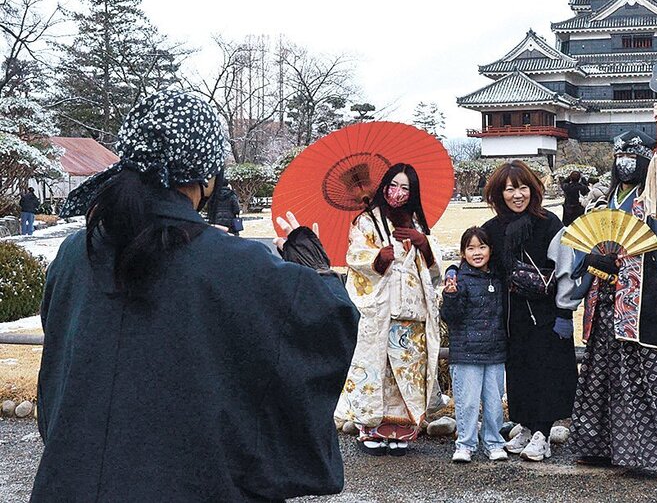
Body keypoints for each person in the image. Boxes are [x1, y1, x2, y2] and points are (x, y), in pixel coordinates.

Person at [33, 90, 359, 502]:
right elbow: (325, 325)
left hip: (72, 483)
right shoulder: (240, 266)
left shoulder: (74, 256)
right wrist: (312, 265)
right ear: (207, 177)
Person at [550, 98, 657, 491]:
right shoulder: (604, 201)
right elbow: (579, 243)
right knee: (603, 372)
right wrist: (573, 205)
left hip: (643, 299)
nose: (626, 160)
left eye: (634, 154)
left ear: (647, 161)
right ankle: (601, 447)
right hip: (603, 299)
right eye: (620, 154)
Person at [336, 163, 442, 457]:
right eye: (394, 185)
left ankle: (401, 431)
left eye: (406, 188)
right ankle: (370, 429)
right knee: (378, 370)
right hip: (381, 310)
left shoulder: (417, 222)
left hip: (412, 312)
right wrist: (378, 258)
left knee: (406, 372)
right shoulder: (367, 222)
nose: (398, 193)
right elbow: (355, 256)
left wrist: (424, 245)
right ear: (384, 187)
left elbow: (434, 271)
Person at [481, 160, 577, 462]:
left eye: (523, 187)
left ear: (533, 190)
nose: (517, 195)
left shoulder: (549, 223)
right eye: (510, 189)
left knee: (544, 371)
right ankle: (524, 425)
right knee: (519, 370)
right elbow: (477, 257)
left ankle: (542, 433)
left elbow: (565, 269)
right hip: (510, 315)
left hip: (546, 313)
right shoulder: (491, 229)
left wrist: (565, 312)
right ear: (499, 193)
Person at [441, 227, 508, 463]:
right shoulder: (459, 279)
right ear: (462, 252)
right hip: (466, 351)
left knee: (494, 403)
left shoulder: (498, 277)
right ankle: (465, 444)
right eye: (470, 248)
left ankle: (493, 442)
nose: (477, 252)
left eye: (482, 247)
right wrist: (450, 295)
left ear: (490, 250)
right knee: (467, 402)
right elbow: (450, 317)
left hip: (495, 351)